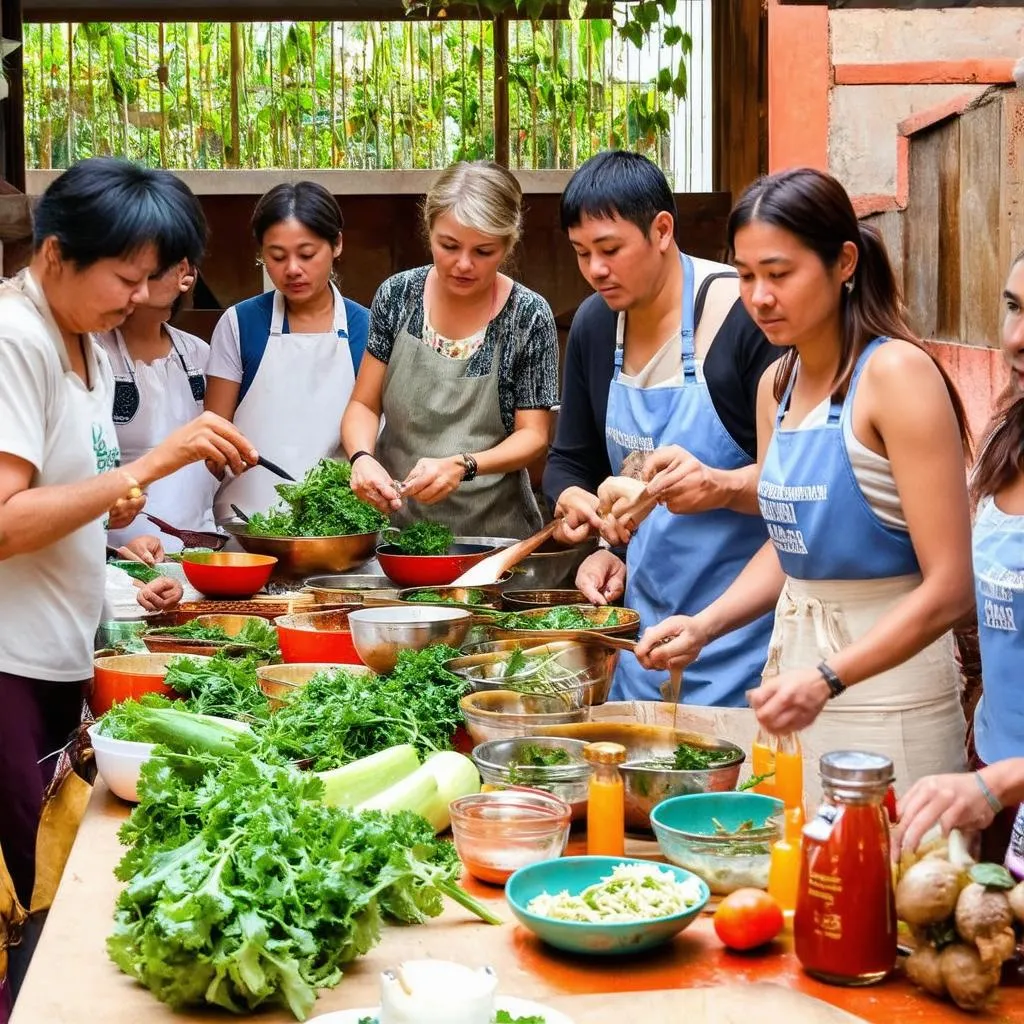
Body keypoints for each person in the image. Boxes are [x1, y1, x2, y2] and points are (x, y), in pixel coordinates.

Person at [636, 167, 973, 799]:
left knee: (887, 882)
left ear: (843, 262)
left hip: (888, 689)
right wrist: (704, 627)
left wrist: (829, 677)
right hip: (794, 679)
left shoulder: (897, 375)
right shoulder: (777, 386)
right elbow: (792, 549)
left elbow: (953, 588)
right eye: (745, 275)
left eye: (779, 273)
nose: (759, 296)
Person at [0, 158, 257, 937]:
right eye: (125, 277)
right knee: (23, 904)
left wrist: (121, 551)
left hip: (58, 656)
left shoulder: (89, 339)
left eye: (151, 279)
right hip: (8, 667)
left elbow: (81, 491)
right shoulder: (17, 339)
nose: (139, 298)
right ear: (54, 255)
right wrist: (148, 468)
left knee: (50, 881)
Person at [543, 150, 779, 704]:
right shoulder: (596, 326)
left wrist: (716, 486)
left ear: (662, 230)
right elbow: (567, 461)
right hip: (645, 639)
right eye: (581, 253)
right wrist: (588, 519)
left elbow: (788, 490)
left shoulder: (743, 317)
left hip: (747, 636)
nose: (595, 270)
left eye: (610, 249)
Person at [341, 161, 559, 538]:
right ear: (429, 232)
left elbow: (534, 435)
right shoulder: (397, 297)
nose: (463, 264)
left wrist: (464, 465)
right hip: (399, 533)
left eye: (483, 251)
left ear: (508, 245)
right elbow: (363, 404)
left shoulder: (529, 315)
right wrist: (362, 458)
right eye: (449, 245)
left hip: (494, 538)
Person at [896, 250, 1024, 860]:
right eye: (1013, 308)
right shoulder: (1008, 436)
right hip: (993, 771)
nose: (1017, 339)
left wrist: (999, 785)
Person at [205, 182, 368, 522]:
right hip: (247, 527)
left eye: (306, 254)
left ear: (337, 244)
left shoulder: (366, 328)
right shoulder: (239, 324)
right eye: (277, 256)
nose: (292, 269)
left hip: (338, 528)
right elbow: (213, 439)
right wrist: (222, 453)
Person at [98, 189, 216, 552]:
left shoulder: (198, 355)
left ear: (186, 272)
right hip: (121, 558)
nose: (137, 280)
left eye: (152, 266)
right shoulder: (93, 354)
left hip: (197, 553)